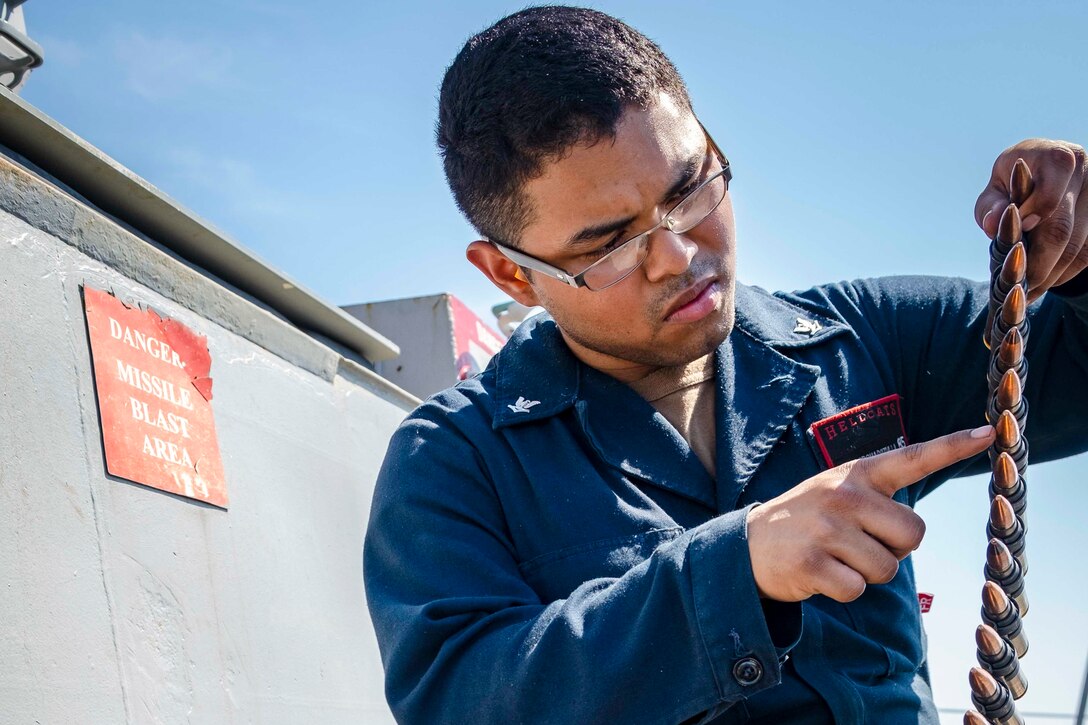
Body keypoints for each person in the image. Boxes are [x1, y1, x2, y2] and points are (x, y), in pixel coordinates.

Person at [363, 6, 1088, 723]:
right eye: (610, 244)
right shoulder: (454, 458)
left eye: (688, 189)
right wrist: (738, 571)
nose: (679, 255)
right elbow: (463, 698)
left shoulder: (865, 341)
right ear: (512, 276)